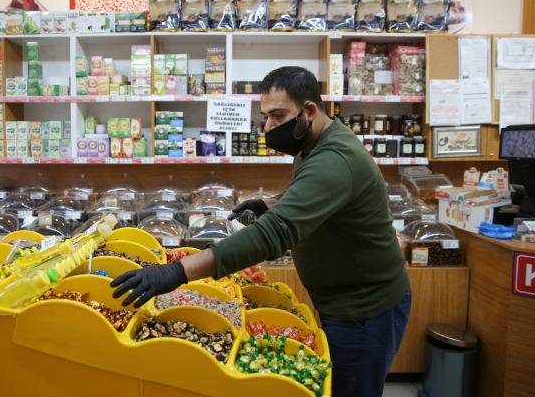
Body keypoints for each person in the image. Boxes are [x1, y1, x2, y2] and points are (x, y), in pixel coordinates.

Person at [111, 66, 411, 397]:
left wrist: (177, 271)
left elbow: (274, 234)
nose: (268, 127)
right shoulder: (315, 141)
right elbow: (314, 195)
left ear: (309, 110)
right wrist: (272, 203)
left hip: (365, 310)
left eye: (278, 115)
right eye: (265, 116)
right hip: (342, 300)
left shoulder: (335, 159)